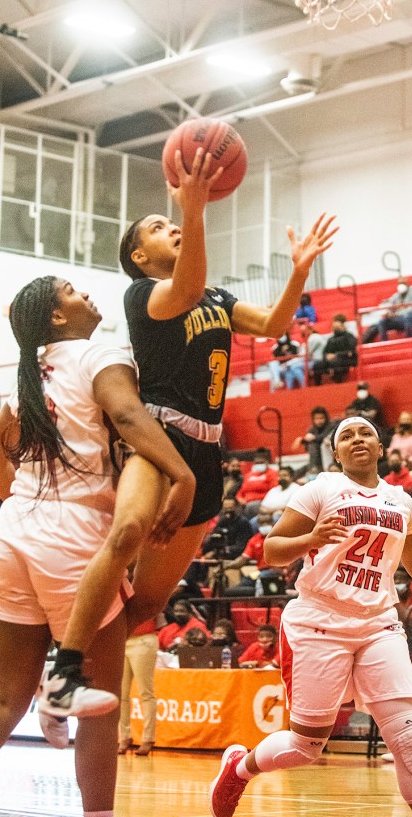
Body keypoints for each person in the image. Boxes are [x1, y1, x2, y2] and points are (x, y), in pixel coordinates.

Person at [0, 274, 198, 817]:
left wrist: (31, 512)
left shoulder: (29, 375)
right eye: (70, 290)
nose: (84, 293)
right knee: (98, 706)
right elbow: (126, 415)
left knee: (1, 700)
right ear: (55, 316)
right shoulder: (98, 354)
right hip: (73, 536)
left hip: (15, 529)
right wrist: (180, 474)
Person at [208, 416, 412, 817]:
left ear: (382, 447)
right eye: (346, 436)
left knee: (407, 737)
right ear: (336, 453)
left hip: (378, 623)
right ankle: (239, 769)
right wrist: (310, 539)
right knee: (305, 748)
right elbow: (273, 550)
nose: (357, 439)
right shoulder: (322, 488)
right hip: (319, 620)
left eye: (365, 432)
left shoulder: (402, 501)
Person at [119, 150, 336, 632]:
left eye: (171, 223)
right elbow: (186, 289)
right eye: (158, 228)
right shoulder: (141, 295)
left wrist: (299, 271)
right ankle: (70, 658)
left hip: (207, 448)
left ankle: (91, 680)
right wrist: (191, 212)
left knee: (145, 604)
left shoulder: (216, 296)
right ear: (139, 257)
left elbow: (274, 324)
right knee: (120, 566)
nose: (171, 228)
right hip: (160, 441)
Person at [118, 617, 159, 756]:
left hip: (144, 639)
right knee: (121, 694)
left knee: (146, 692)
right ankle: (124, 736)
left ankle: (148, 738)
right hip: (122, 639)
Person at [201, 497, 254, 563]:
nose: (228, 511)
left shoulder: (243, 522)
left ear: (236, 507)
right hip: (219, 555)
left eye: (230, 508)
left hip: (235, 558)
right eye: (226, 508)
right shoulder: (222, 521)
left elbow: (241, 547)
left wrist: (215, 552)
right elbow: (214, 538)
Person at [312, 314, 357, 384]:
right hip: (331, 360)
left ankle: (338, 382)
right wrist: (327, 356)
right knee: (317, 366)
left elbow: (351, 351)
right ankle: (318, 385)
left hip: (346, 359)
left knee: (335, 362)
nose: (336, 329)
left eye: (338, 327)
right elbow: (325, 352)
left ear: (343, 326)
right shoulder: (331, 339)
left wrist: (336, 355)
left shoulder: (349, 337)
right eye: (335, 327)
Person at [236, 450, 278, 516]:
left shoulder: (273, 473)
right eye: (257, 463)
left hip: (262, 501)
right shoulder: (248, 475)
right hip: (245, 502)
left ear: (267, 463)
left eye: (261, 463)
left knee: (251, 507)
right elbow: (241, 492)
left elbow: (273, 491)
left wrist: (254, 499)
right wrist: (240, 499)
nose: (259, 465)